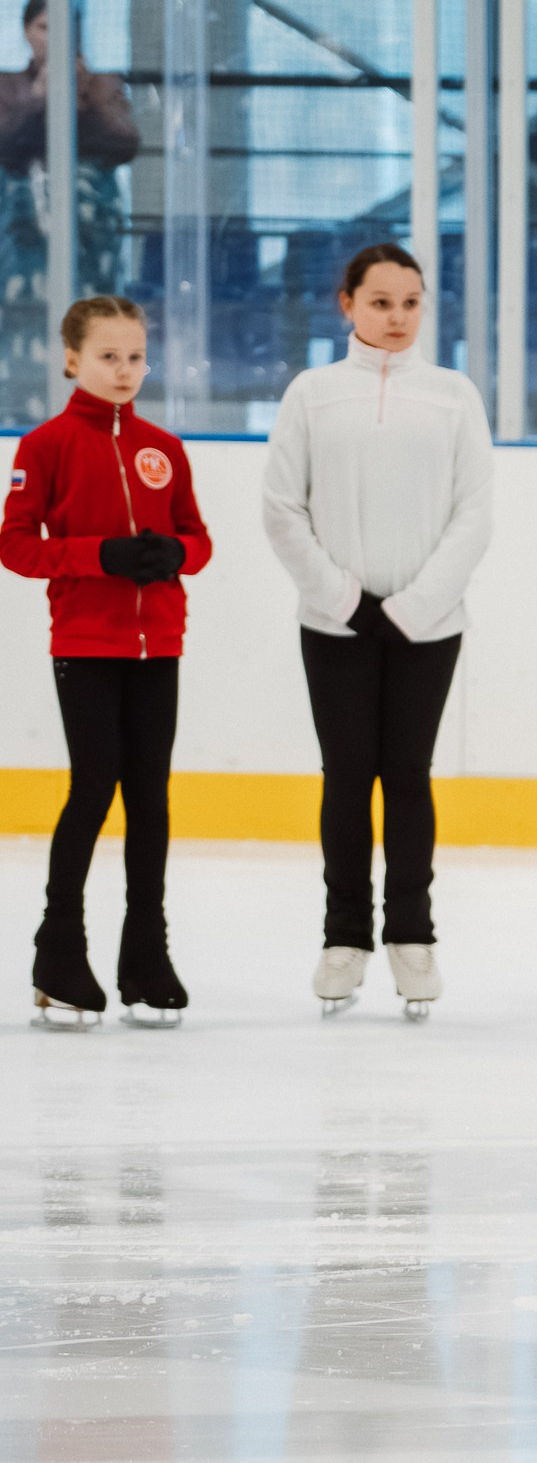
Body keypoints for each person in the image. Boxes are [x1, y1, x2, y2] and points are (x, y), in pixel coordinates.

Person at [263, 244, 492, 1021]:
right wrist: (344, 599)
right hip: (334, 625)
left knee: (407, 774)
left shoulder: (454, 395)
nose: (397, 317)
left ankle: (412, 935)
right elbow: (282, 507)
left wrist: (414, 606)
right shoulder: (313, 393)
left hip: (429, 626)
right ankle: (344, 937)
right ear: (347, 304)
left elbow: (474, 512)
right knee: (347, 774)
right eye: (381, 302)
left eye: (411, 303)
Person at [2, 296, 208, 1025]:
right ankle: (59, 949)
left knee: (150, 797)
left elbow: (199, 539)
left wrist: (173, 552)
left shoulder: (164, 448)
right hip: (86, 643)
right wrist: (100, 556)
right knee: (93, 787)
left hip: (159, 645)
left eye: (136, 357)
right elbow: (16, 545)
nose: (125, 370)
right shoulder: (45, 446)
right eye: (108, 356)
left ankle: (146, 954)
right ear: (72, 360)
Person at [0, 0, 140, 427]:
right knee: (23, 315)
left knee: (92, 315)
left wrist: (83, 98)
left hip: (90, 232)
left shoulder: (104, 84)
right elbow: (7, 145)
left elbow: (123, 143)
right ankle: (21, 407)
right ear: (27, 32)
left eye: (64, 29)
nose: (55, 39)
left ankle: (93, 407)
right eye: (45, 28)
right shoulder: (7, 86)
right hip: (22, 231)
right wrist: (39, 99)